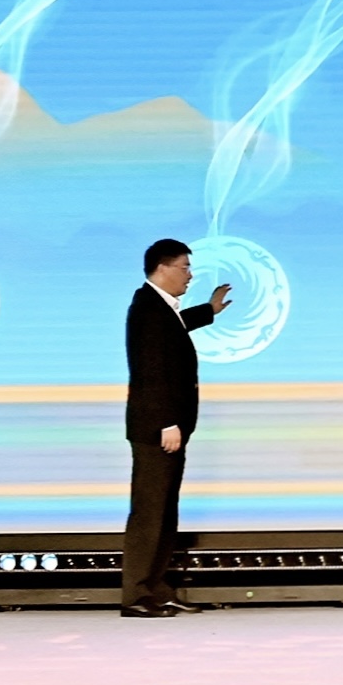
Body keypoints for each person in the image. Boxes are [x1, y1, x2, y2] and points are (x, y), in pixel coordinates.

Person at [120, 237, 230, 620]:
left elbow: (175, 329)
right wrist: (167, 422)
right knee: (150, 513)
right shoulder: (147, 308)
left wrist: (210, 310)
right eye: (185, 267)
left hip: (169, 428)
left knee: (165, 513)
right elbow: (149, 371)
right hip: (157, 429)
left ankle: (156, 590)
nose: (190, 275)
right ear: (163, 268)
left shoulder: (160, 308)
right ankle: (136, 595)